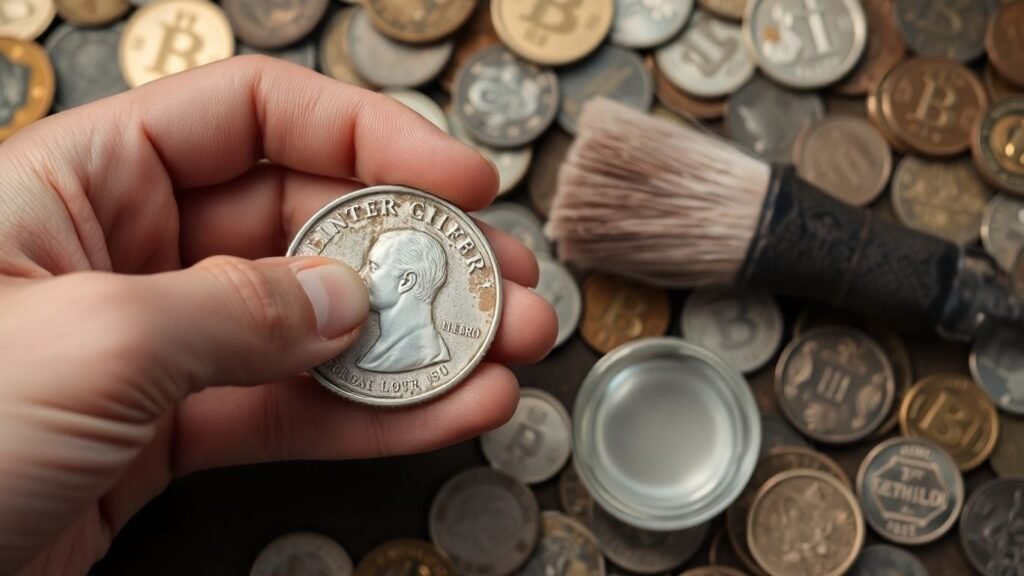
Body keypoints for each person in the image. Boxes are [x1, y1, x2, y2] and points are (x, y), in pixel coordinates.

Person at [0, 56, 557, 576]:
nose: (356, 275)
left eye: (376, 265)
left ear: (410, 281)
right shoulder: (375, 351)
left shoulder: (414, 356)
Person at [358, 230, 451, 373]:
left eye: (373, 267)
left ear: (406, 281)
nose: (361, 275)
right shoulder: (389, 349)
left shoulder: (418, 352)